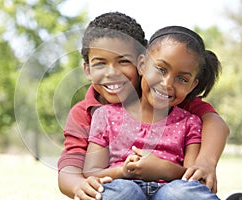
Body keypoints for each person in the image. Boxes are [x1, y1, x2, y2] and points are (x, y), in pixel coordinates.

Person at [57, 12, 229, 200]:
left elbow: (215, 123)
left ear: (140, 63)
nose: (112, 73)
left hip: (171, 190)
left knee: (178, 193)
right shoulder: (86, 112)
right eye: (100, 64)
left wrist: (205, 163)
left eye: (123, 61)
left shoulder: (168, 96)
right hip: (120, 187)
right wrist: (79, 186)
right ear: (88, 70)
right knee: (123, 192)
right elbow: (71, 168)